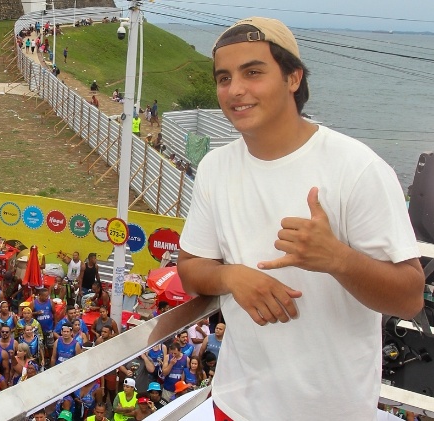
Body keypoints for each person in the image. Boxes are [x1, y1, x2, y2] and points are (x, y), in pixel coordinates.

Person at [177, 16, 424, 421]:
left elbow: (410, 297)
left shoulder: (356, 167)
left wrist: (337, 259)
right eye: (224, 78)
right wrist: (231, 276)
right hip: (234, 404)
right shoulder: (216, 167)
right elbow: (191, 268)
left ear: (294, 78)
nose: (235, 90)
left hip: (334, 411)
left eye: (253, 72)